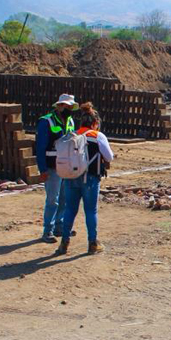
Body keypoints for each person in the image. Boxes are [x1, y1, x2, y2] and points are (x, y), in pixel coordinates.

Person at [56, 103, 114, 256]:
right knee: (90, 211)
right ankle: (92, 243)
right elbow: (109, 156)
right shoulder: (97, 136)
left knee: (70, 210)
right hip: (90, 179)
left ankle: (64, 244)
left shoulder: (73, 134)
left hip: (71, 177)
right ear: (95, 123)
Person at [35, 94, 77, 242]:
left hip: (66, 166)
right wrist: (43, 169)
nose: (70, 109)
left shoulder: (70, 121)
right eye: (67, 106)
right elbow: (40, 147)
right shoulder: (46, 121)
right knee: (53, 200)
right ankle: (48, 231)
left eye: (71, 107)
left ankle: (59, 227)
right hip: (52, 167)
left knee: (65, 198)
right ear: (59, 106)